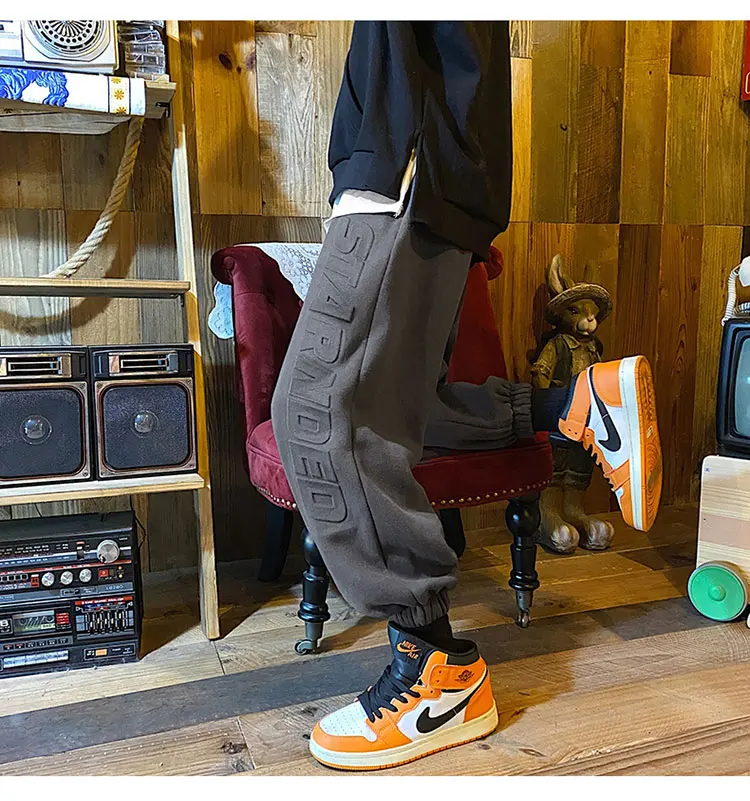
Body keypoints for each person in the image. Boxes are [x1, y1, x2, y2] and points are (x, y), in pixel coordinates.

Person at [270, 21, 663, 771]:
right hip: (424, 159)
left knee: (317, 412)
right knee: (399, 407)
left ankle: (436, 668)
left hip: (402, 162)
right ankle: (575, 406)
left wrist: (394, 156)